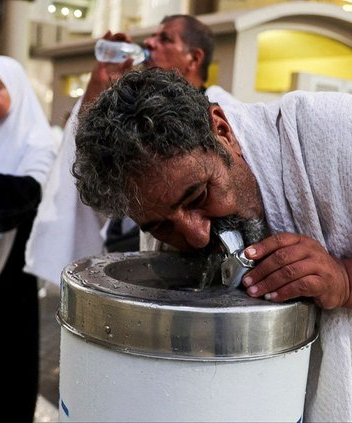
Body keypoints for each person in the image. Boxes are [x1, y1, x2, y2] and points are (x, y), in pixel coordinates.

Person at [72, 67, 352, 422]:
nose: (196, 236)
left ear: (221, 130)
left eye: (198, 195)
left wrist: (347, 282)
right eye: (160, 225)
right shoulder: (160, 195)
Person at [24, 14, 237, 285]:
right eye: (152, 36)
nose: (149, 42)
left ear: (194, 59)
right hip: (124, 249)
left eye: (165, 39)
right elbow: (92, 165)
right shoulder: (137, 116)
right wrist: (100, 83)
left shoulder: (223, 112)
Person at [0, 56, 57, 422]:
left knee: (10, 356)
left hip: (13, 271)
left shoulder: (37, 140)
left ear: (17, 91)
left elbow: (31, 191)